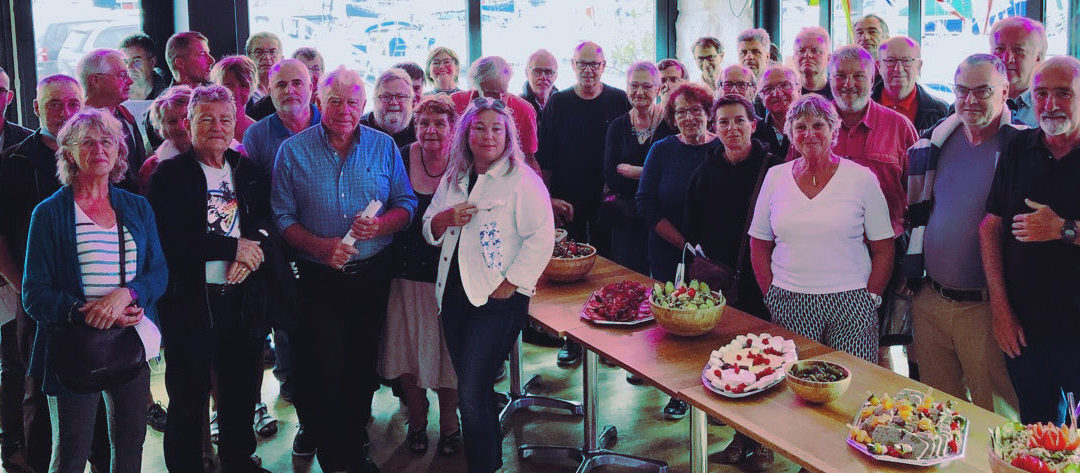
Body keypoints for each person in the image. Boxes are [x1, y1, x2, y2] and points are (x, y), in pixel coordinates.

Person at [272, 66, 417, 473]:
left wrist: (381, 224)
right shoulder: (293, 151)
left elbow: (406, 204)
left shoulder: (384, 146)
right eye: (335, 101)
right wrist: (322, 247)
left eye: (353, 102)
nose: (344, 110)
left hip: (372, 276)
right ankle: (335, 454)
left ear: (363, 105)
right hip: (317, 280)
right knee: (322, 366)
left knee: (361, 365)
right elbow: (282, 217)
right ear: (319, 101)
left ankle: (354, 444)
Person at [22, 107, 167, 473]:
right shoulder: (49, 214)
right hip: (73, 349)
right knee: (71, 454)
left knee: (130, 449)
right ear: (68, 152)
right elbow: (34, 294)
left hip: (130, 343)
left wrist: (128, 295)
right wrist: (85, 311)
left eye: (107, 141)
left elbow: (159, 272)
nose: (99, 149)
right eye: (87, 142)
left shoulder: (137, 207)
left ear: (119, 150)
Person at [422, 97, 555, 473]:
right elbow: (429, 224)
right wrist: (444, 219)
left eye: (497, 128)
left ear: (509, 134)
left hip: (497, 301)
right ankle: (488, 462)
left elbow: (541, 237)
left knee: (471, 392)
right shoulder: (455, 176)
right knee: (472, 387)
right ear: (466, 134)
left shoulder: (522, 180)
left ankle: (483, 466)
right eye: (479, 127)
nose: (488, 135)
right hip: (453, 294)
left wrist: (511, 284)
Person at [146, 84, 274, 473]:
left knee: (240, 391)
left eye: (224, 119)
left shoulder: (247, 170)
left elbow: (267, 223)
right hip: (190, 304)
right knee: (187, 396)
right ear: (189, 123)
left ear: (235, 122)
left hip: (242, 299)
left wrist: (253, 251)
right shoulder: (168, 175)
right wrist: (232, 248)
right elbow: (170, 238)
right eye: (206, 119)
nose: (217, 127)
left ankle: (238, 460)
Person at [906, 54, 1022, 418]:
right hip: (931, 301)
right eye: (962, 91)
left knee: (996, 417)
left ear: (1004, 92)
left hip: (986, 309)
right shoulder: (936, 142)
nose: (970, 100)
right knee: (937, 415)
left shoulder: (1020, 148)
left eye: (982, 91)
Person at [749, 94, 895, 364]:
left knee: (854, 384)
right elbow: (758, 244)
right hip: (789, 301)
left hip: (851, 301)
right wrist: (771, 295)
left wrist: (871, 297)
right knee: (796, 387)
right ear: (790, 134)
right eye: (800, 127)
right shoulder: (775, 177)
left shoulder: (861, 178)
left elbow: (884, 248)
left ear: (833, 130)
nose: (810, 133)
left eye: (818, 125)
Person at [980, 56, 1080, 425]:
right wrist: (1000, 311)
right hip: (1025, 331)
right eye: (1041, 93)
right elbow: (990, 229)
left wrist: (1063, 229)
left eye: (1063, 93)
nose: (1050, 104)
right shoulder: (1019, 148)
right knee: (1037, 434)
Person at [686, 94, 782, 470]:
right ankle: (738, 438)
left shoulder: (773, 166)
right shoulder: (706, 169)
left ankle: (763, 444)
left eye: (739, 121)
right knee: (731, 363)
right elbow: (692, 223)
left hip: (766, 277)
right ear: (714, 128)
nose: (731, 129)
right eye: (723, 122)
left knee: (764, 362)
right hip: (723, 282)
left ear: (753, 124)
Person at [0, 73, 82, 473]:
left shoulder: (100, 154)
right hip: (34, 299)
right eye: (54, 104)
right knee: (36, 388)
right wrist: (23, 287)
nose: (65, 113)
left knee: (94, 389)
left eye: (72, 104)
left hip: (93, 300)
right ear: (35, 107)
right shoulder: (13, 161)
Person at [241, 57, 320, 458]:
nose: (290, 91)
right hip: (282, 253)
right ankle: (307, 420)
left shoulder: (334, 122)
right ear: (268, 92)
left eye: (297, 83)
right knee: (292, 336)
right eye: (280, 86)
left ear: (312, 85)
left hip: (332, 250)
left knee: (334, 337)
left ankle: (345, 418)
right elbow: (251, 199)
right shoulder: (257, 136)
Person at [537, 41, 629, 367]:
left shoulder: (620, 99)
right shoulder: (558, 103)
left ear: (604, 66)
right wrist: (547, 201)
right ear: (573, 66)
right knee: (570, 278)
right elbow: (544, 157)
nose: (589, 70)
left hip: (609, 201)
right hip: (567, 200)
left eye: (595, 64)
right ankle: (573, 340)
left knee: (608, 272)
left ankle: (608, 342)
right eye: (582, 64)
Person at [380, 95, 462, 457]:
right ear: (415, 126)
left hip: (449, 278)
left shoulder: (464, 162)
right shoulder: (397, 155)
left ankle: (449, 426)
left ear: (452, 128)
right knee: (407, 355)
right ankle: (416, 421)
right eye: (424, 123)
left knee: (448, 356)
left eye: (439, 123)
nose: (431, 130)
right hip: (403, 274)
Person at [636, 82, 720, 420]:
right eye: (680, 111)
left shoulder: (722, 148)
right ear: (672, 117)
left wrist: (707, 251)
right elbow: (646, 202)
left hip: (717, 257)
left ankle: (717, 388)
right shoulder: (661, 149)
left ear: (708, 112)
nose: (688, 117)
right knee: (677, 327)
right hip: (670, 252)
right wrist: (683, 245)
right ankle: (679, 392)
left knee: (716, 326)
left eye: (695, 109)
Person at [829, 45, 916, 237]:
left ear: (872, 79)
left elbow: (919, 194)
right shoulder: (812, 126)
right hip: (826, 249)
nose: (848, 84)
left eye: (859, 76)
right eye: (840, 76)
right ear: (829, 79)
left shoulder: (900, 127)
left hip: (888, 246)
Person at [604, 61, 676, 275]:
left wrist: (634, 171)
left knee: (664, 281)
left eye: (647, 86)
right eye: (634, 86)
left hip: (663, 218)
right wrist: (653, 173)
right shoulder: (617, 126)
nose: (639, 92)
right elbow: (611, 175)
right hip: (625, 218)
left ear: (658, 87)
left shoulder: (671, 124)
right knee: (628, 278)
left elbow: (673, 173)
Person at [450, 56, 539, 172]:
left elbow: (529, 157)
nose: (498, 99)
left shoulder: (524, 110)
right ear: (477, 86)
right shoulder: (456, 103)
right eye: (490, 93)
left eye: (502, 92)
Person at [77, 48, 146, 189]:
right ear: (95, 80)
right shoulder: (78, 126)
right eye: (122, 75)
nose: (130, 81)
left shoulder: (125, 116)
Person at [871, 36, 950, 135]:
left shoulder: (941, 112)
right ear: (878, 66)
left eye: (906, 61)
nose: (898, 69)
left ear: (919, 66)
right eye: (890, 61)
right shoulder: (862, 108)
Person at [989, 17, 1046, 128]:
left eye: (1018, 50)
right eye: (1000, 49)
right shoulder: (973, 101)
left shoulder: (1050, 109)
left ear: (1038, 58)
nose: (1007, 58)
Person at [138, 85, 194, 191]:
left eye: (187, 117)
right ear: (161, 129)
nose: (181, 126)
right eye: (172, 121)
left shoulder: (224, 155)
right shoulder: (152, 167)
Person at [361, 68, 417, 148]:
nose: (393, 102)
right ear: (374, 101)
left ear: (411, 100)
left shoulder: (420, 130)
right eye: (386, 97)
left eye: (400, 96)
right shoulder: (360, 131)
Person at [753, 65, 800, 159]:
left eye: (785, 85)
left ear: (799, 90)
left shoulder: (813, 127)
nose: (777, 93)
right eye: (768, 89)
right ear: (761, 97)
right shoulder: (754, 132)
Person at [210, 56, 258, 142]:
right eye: (228, 85)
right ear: (214, 86)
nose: (235, 92)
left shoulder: (258, 132)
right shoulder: (206, 128)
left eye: (243, 85)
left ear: (252, 88)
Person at [118, 33, 168, 102]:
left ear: (152, 62)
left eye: (136, 61)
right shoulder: (114, 95)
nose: (129, 67)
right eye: (125, 62)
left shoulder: (168, 94)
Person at [793, 27, 833, 100]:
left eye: (815, 51)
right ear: (793, 57)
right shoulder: (788, 94)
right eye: (801, 51)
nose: (807, 55)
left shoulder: (837, 94)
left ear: (828, 58)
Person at [244, 32, 283, 105]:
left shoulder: (288, 88)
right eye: (259, 52)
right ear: (248, 57)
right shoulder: (243, 90)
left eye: (272, 52)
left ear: (281, 58)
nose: (267, 58)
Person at [521, 49, 558, 118]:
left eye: (548, 72)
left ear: (556, 76)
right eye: (537, 71)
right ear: (526, 73)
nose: (543, 77)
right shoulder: (516, 106)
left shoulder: (563, 104)